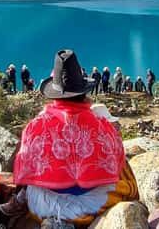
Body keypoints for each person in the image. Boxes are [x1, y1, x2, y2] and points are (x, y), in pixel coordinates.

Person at [12, 50, 137, 226]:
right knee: (124, 168)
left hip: (46, 205)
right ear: (82, 92)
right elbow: (116, 161)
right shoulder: (103, 126)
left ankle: (19, 204)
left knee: (33, 185)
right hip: (93, 203)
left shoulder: (36, 126)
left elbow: (26, 164)